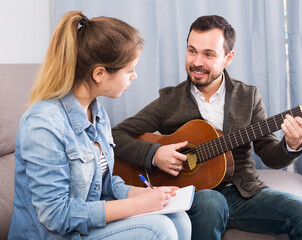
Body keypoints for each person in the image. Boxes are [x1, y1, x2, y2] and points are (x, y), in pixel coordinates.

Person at [112, 15, 302, 240]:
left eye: (208, 54)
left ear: (228, 58)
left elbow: (269, 154)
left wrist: (291, 145)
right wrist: (155, 154)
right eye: (192, 51)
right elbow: (115, 136)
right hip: (193, 196)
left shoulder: (248, 96)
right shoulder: (169, 101)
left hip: (242, 192)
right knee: (212, 202)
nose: (197, 62)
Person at [8, 10, 191, 240]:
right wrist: (139, 205)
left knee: (179, 219)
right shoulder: (43, 125)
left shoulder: (97, 113)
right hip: (56, 235)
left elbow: (104, 185)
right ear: (100, 74)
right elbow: (56, 215)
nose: (134, 77)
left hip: (84, 227)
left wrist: (148, 195)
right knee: (159, 229)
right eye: (130, 70)